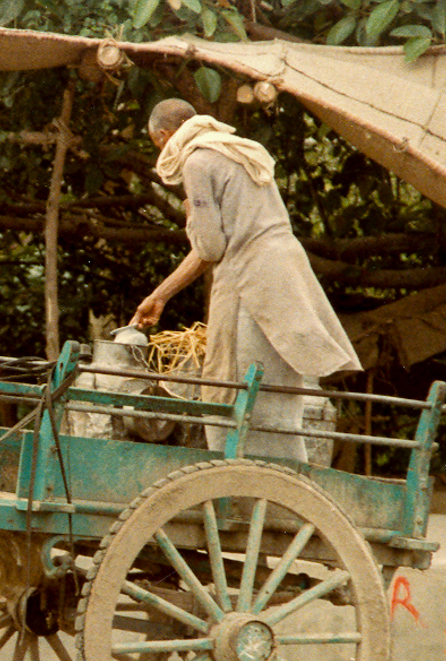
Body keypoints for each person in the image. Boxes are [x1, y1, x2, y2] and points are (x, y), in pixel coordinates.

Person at [131, 99, 360, 462]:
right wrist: (160, 296)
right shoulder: (234, 150)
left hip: (250, 279)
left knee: (231, 389)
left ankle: (239, 486)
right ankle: (286, 487)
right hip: (285, 274)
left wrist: (191, 216)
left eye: (157, 143)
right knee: (277, 394)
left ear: (163, 135)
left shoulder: (196, 160)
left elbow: (209, 247)